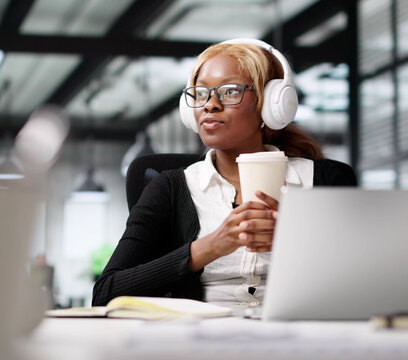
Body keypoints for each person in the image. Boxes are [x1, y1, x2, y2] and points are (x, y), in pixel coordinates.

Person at [92, 39, 356, 308]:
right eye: (201, 93)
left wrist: (294, 241)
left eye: (230, 91)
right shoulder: (169, 188)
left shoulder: (328, 180)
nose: (210, 104)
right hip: (202, 341)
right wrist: (211, 246)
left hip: (301, 336)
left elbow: (359, 284)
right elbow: (106, 292)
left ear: (270, 104)